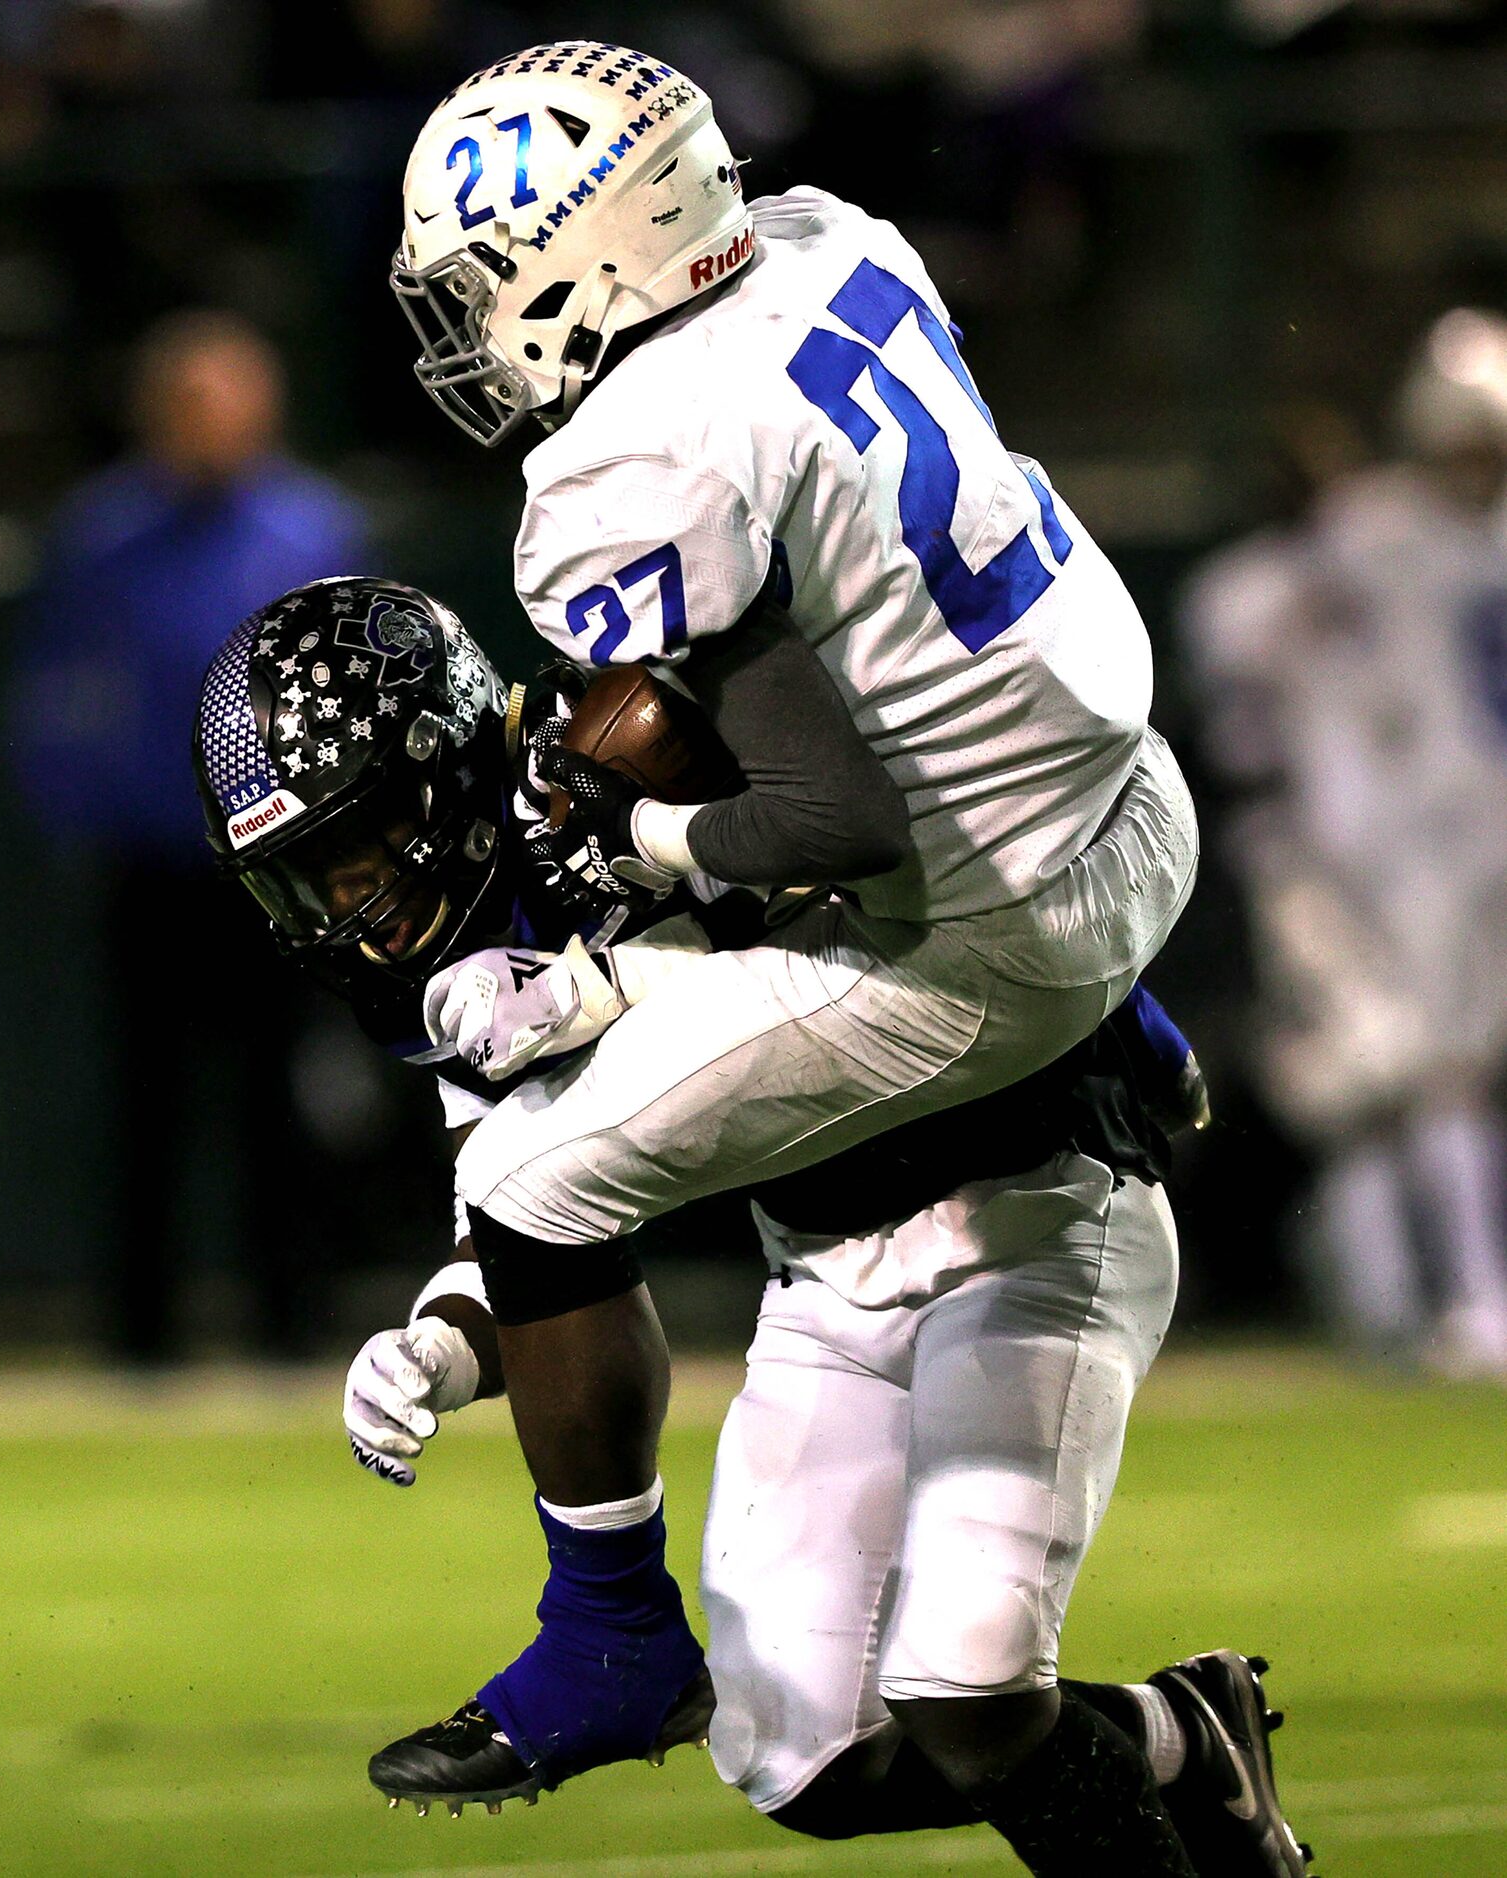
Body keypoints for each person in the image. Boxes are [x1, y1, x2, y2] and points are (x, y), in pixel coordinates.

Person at [371, 40, 1198, 1855]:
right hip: (1125, 803)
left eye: (481, 283)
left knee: (530, 1171)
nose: (466, 331)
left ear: (583, 252)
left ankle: (606, 1640)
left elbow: (832, 821)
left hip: (982, 920)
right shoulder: (827, 243)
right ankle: (1086, 1043)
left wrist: (647, 824)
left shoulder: (632, 457)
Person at [193, 579, 1311, 1874]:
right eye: (306, 883)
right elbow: (512, 1220)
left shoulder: (638, 734)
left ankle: (608, 1629)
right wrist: (437, 1343)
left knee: (962, 1679)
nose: (354, 907)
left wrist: (613, 977)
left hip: (1030, 1195)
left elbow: (888, 890)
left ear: (438, 766)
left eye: (363, 846)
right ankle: (1182, 1736)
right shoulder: (440, 966)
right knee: (802, 1756)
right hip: (824, 1268)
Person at [15, 308, 365, 1361]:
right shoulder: (100, 537)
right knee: (146, 1104)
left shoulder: (314, 531)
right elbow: (52, 698)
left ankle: (292, 1328)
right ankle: (140, 1340)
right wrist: (80, 816)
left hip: (284, 874)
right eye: (194, 399)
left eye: (234, 396)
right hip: (153, 867)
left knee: (283, 1101)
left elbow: (360, 698)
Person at [1180, 321, 1507, 1376]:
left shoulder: (1408, 545)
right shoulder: (1280, 577)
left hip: (1422, 835)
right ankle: (1427, 1303)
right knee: (1379, 1087)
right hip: (1317, 849)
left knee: (1415, 1083)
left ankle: (1414, 1304)